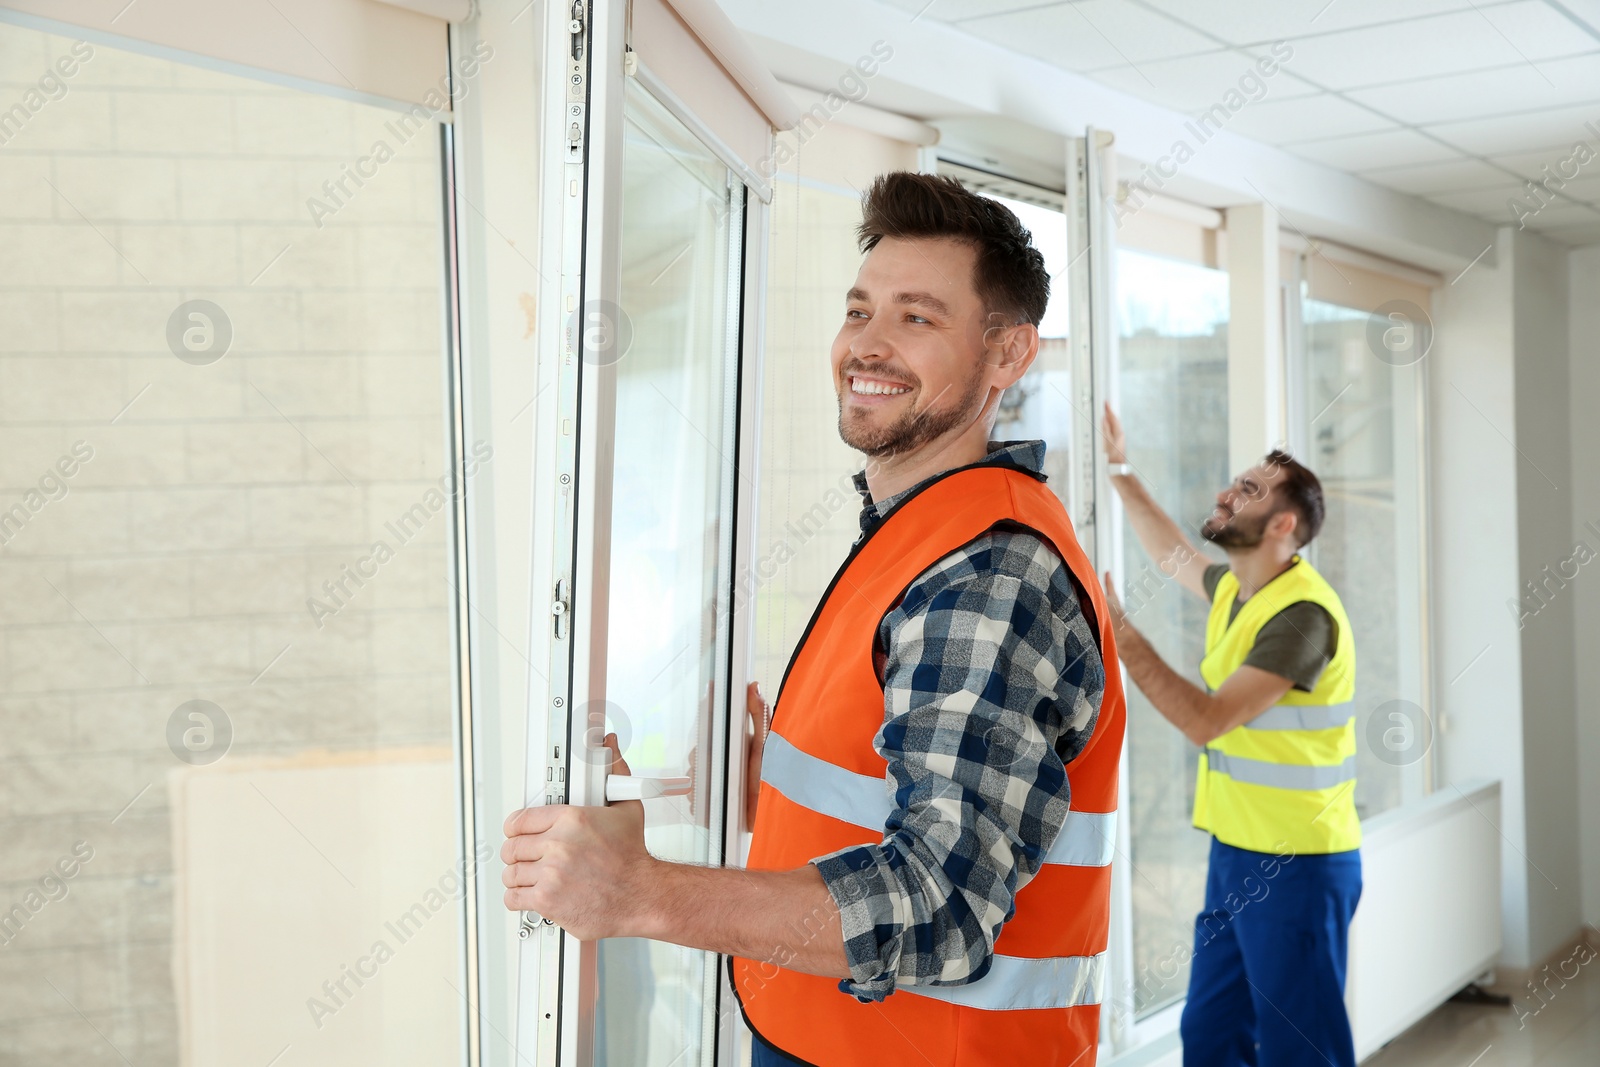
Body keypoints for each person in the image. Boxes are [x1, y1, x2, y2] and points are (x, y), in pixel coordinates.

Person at [502, 171, 1126, 1066]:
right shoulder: (920, 533)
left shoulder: (989, 568)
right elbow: (909, 790)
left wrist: (638, 891)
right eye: (860, 309)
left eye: (918, 317)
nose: (867, 346)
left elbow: (941, 904)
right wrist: (780, 796)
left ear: (1007, 356)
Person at [1097, 404, 1361, 1067]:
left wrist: (1124, 639)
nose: (1225, 492)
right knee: (1212, 1037)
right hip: (1237, 853)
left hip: (1299, 863)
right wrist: (1121, 469)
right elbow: (1171, 553)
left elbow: (1207, 719)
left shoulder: (1302, 616)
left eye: (1248, 489)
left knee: (1301, 1051)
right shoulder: (1236, 592)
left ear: (1283, 524)